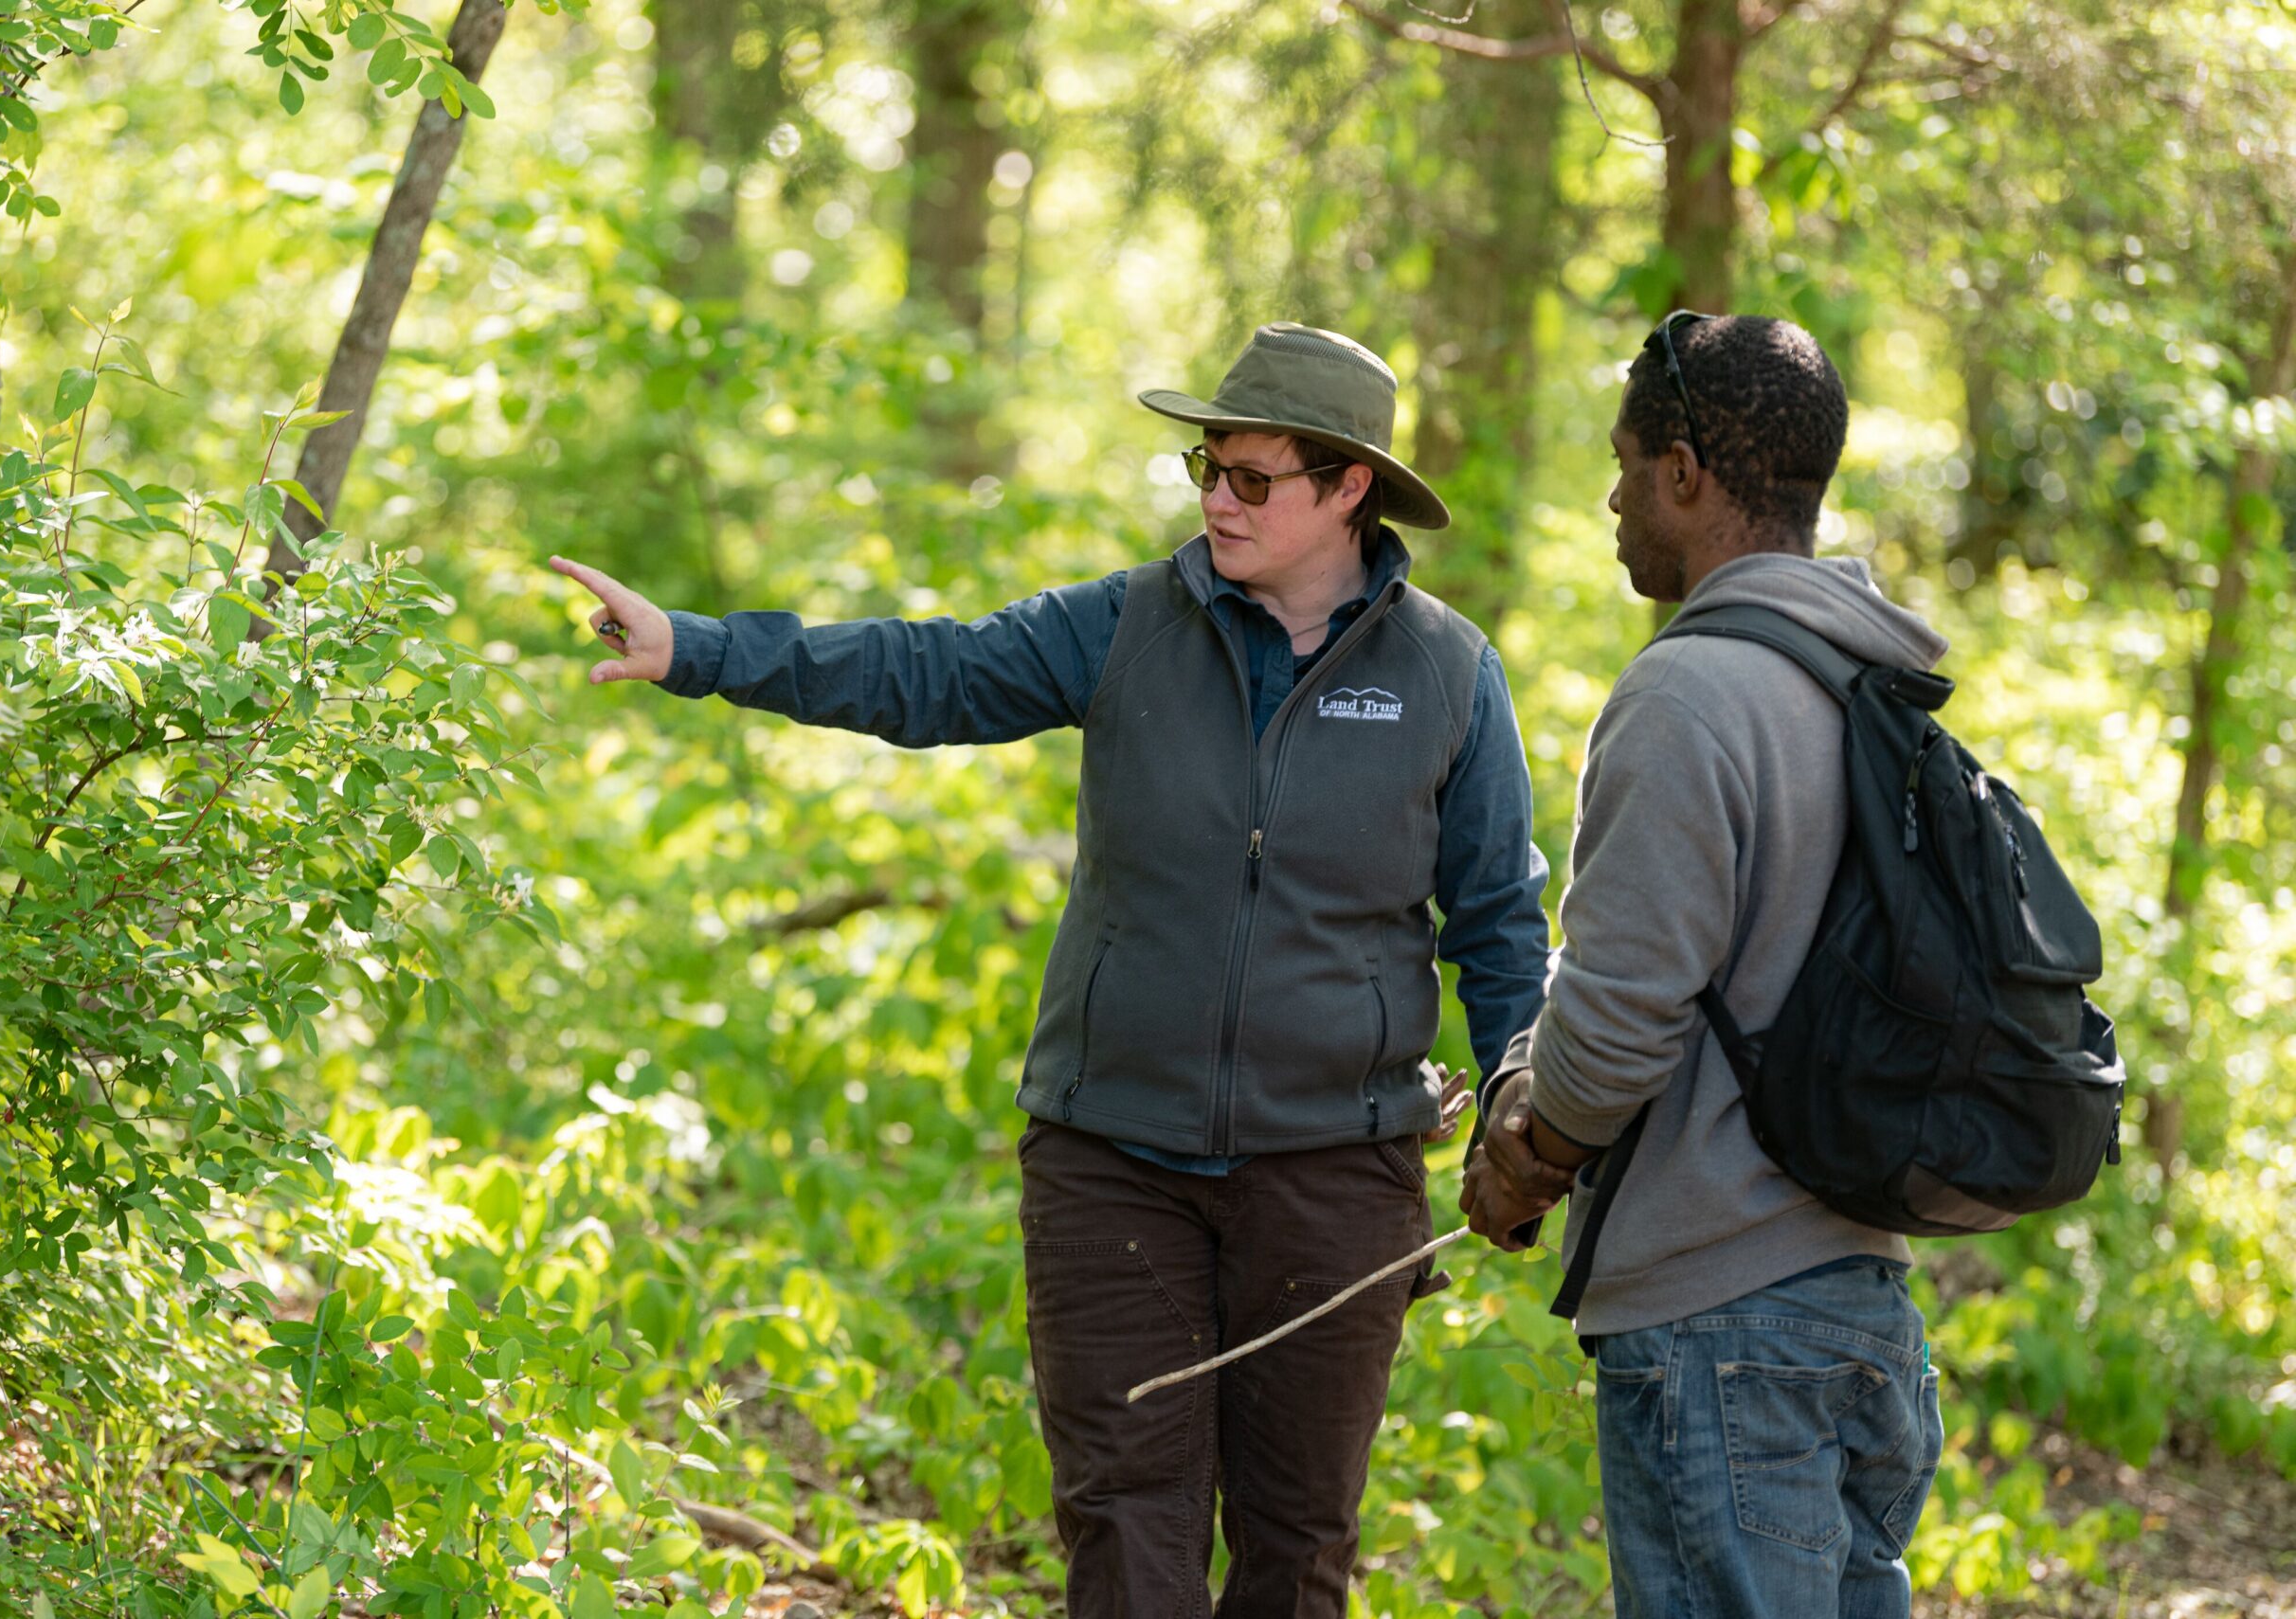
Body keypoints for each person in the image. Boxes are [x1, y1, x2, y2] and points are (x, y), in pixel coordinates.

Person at [555, 322, 1549, 1617]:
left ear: (1347, 486)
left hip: (1334, 1176)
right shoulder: (1129, 623)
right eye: (1207, 466)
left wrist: (1529, 1112)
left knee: (1299, 1544)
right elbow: (932, 670)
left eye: (1253, 478)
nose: (1215, 499)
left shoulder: (1450, 674)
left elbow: (1501, 926)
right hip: (1109, 1158)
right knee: (1126, 1528)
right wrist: (701, 649)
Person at [1461, 314, 1947, 1618]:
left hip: (1722, 1320)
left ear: (1684, 471)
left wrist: (1524, 1153)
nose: (1612, 498)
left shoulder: (1689, 695)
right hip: (1864, 1307)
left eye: (1625, 466)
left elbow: (1617, 1030)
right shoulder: (1874, 682)